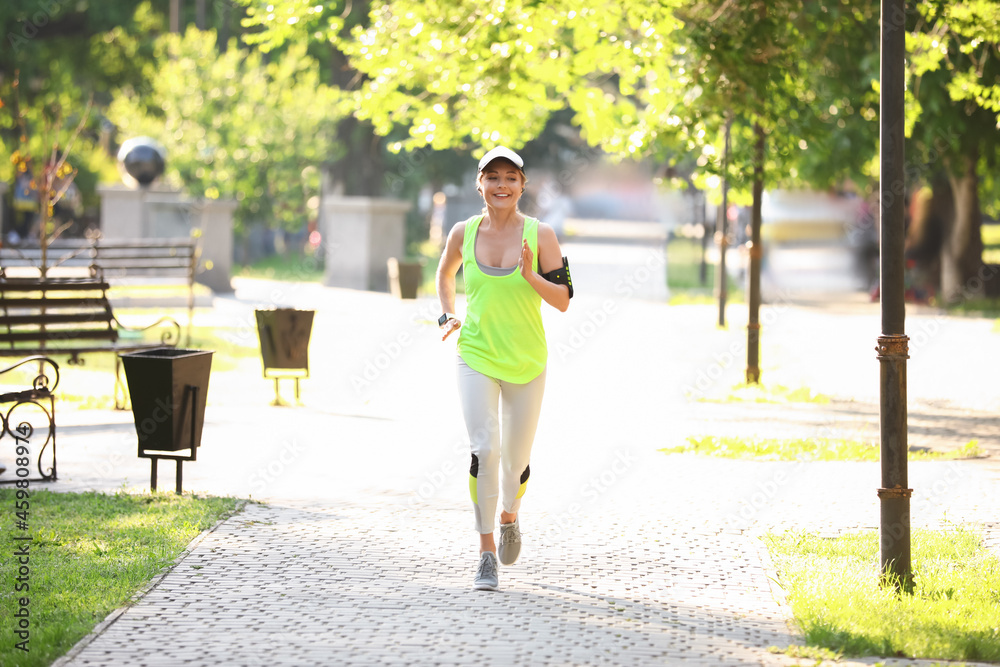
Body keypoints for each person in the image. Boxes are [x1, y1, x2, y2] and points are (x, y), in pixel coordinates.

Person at [436, 146, 573, 591]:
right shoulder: (463, 232)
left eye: (510, 178)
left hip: (527, 361)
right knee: (484, 450)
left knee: (515, 462)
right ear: (480, 184)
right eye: (492, 177)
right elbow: (444, 274)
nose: (501, 185)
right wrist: (447, 313)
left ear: (522, 186)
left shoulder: (542, 235)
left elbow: (564, 300)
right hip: (475, 354)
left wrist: (531, 275)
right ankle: (486, 551)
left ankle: (510, 514)